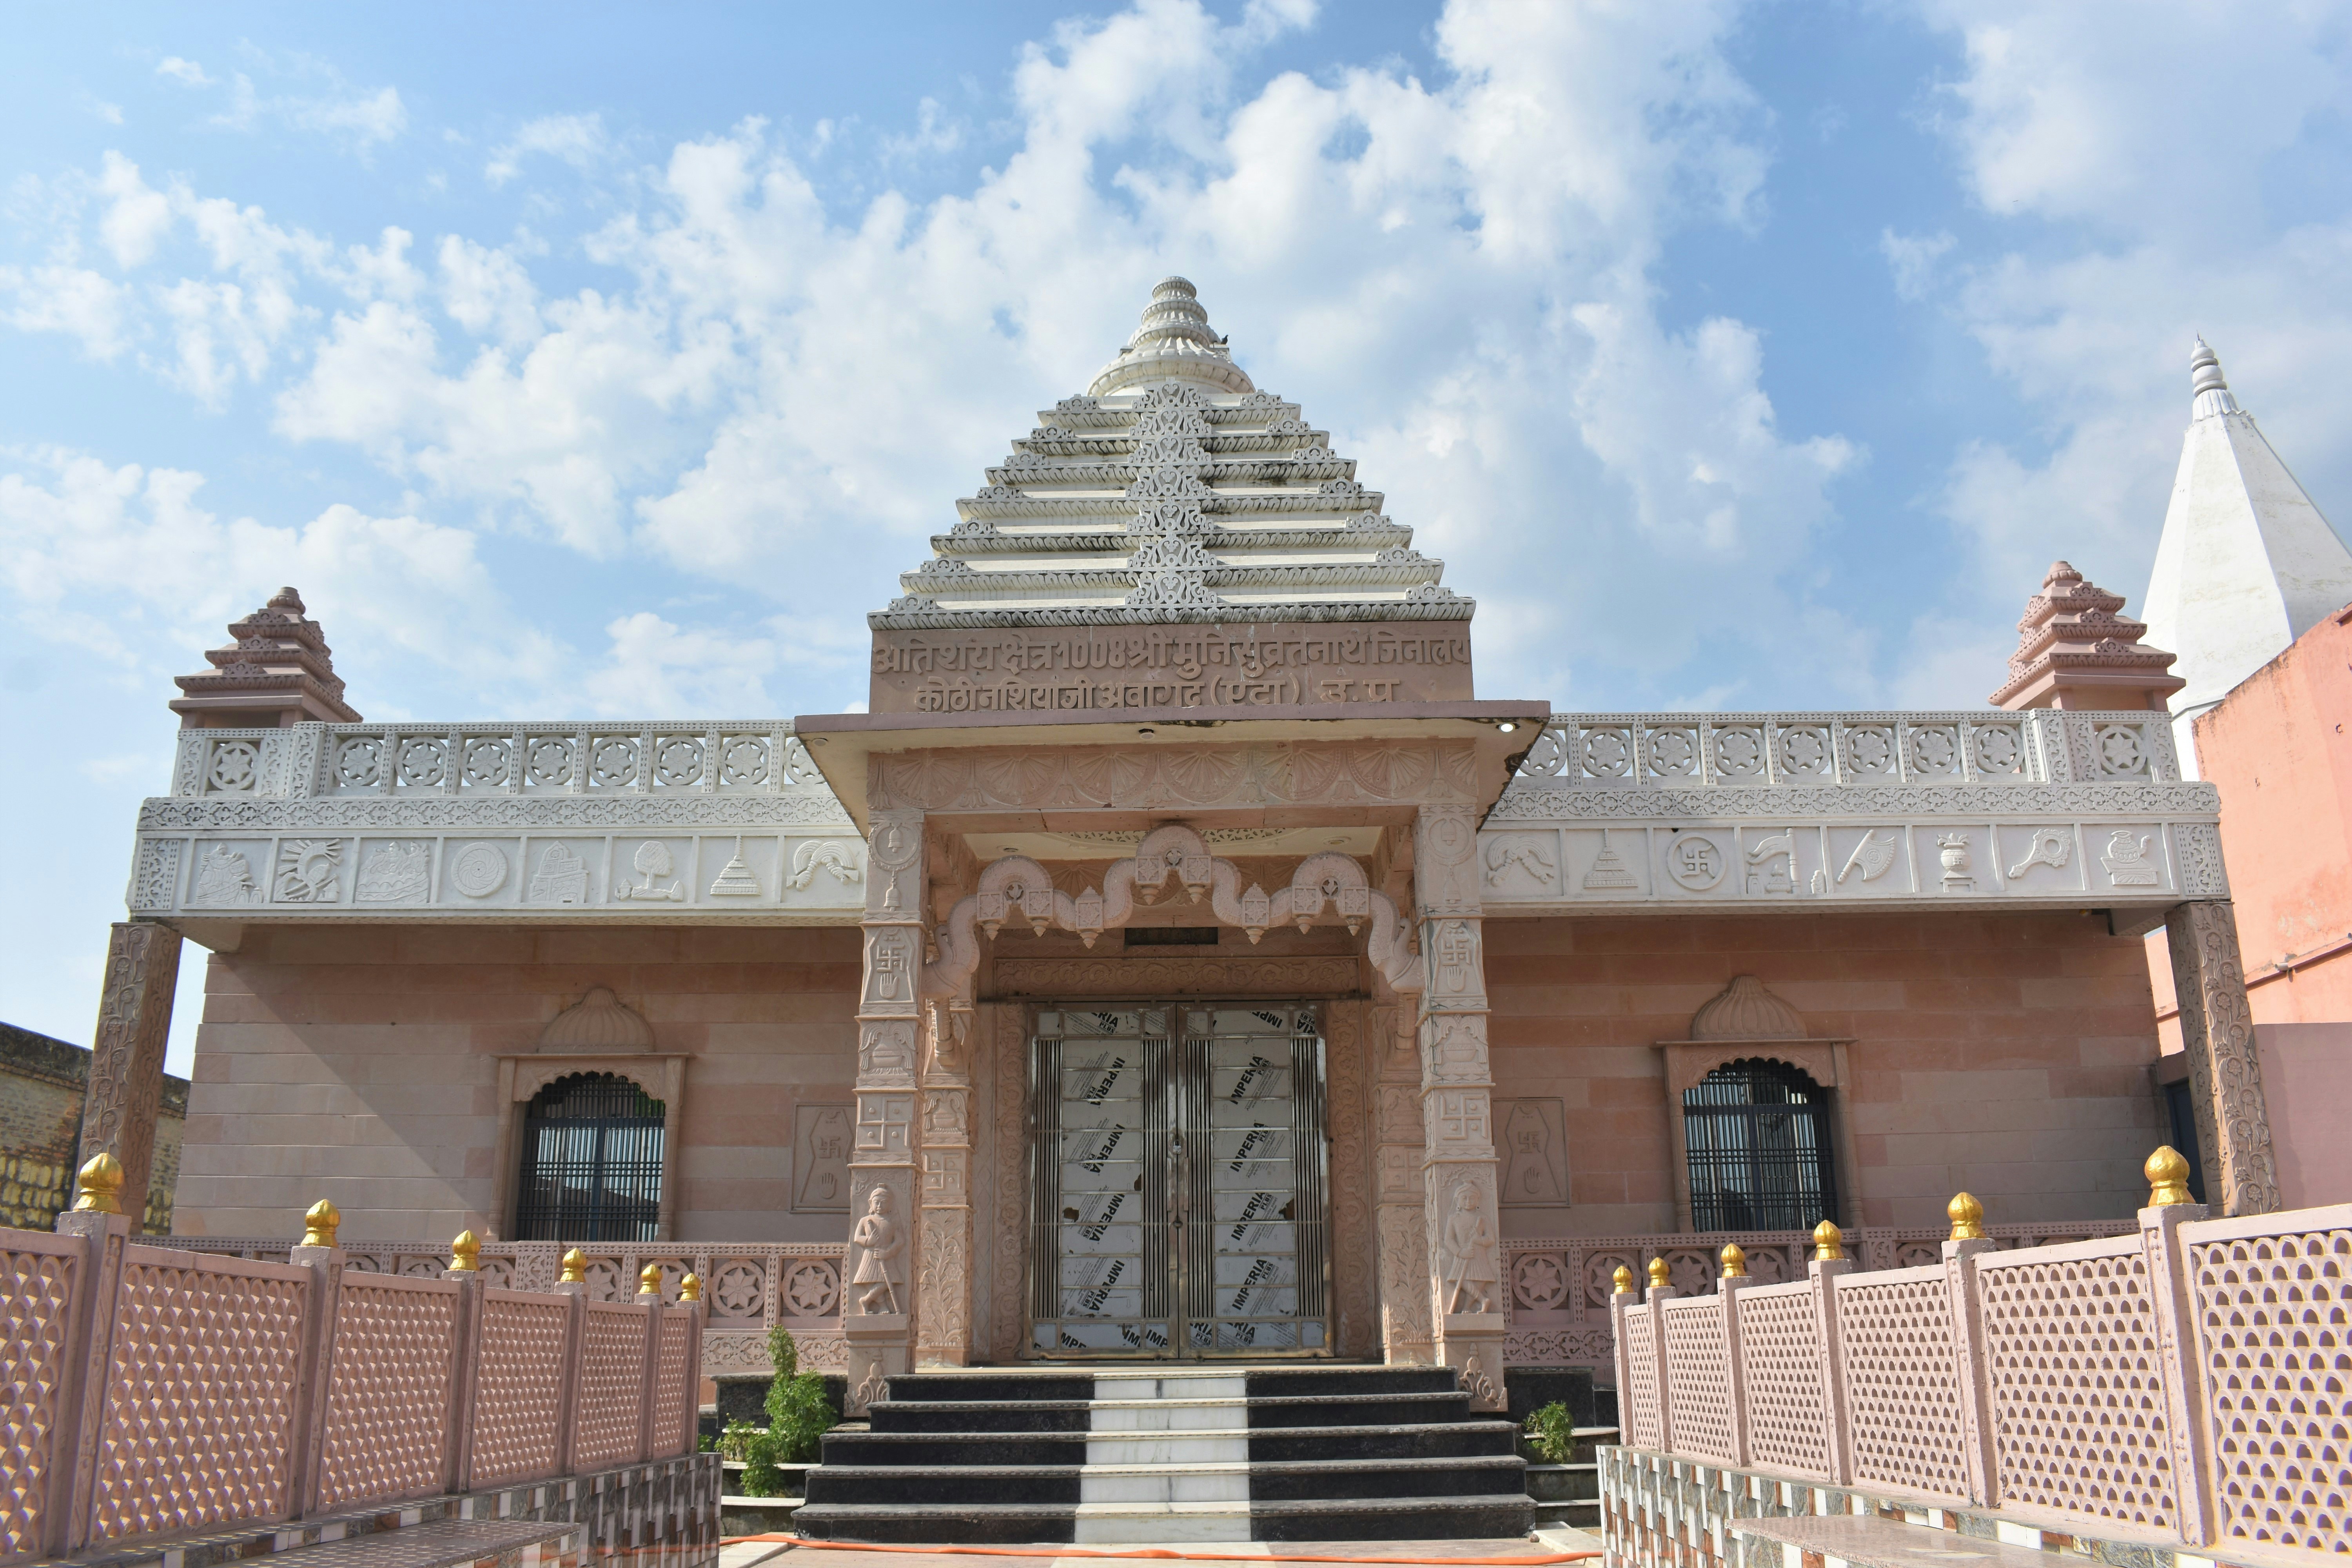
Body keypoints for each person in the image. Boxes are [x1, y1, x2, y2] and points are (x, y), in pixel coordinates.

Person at [1441, 1183, 1497, 1314]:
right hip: (1463, 1253)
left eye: (1472, 1198)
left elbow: (1491, 1239)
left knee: (1480, 1280)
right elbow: (1449, 1240)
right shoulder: (1454, 1218)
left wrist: (1479, 1240)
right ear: (1458, 1200)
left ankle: (1467, 1307)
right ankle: (1483, 1300)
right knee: (1459, 1279)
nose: (1468, 1201)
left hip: (1478, 1253)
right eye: (1464, 1198)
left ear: (1478, 1200)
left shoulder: (1482, 1218)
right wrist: (1460, 1252)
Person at [849, 1186, 904, 1314]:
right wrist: (869, 1241)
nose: (880, 1206)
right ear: (871, 1203)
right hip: (871, 1255)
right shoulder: (866, 1221)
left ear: (890, 1204)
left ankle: (866, 1300)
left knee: (888, 1280)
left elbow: (900, 1241)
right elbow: (857, 1238)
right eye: (877, 1203)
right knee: (867, 1279)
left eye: (884, 1203)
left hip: (885, 1255)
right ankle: (882, 1306)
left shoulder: (893, 1222)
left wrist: (888, 1253)